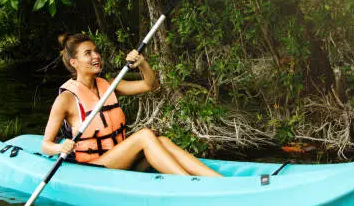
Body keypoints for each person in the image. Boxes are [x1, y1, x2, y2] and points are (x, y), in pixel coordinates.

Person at [42, 33, 222, 177]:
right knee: (144, 135)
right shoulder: (66, 98)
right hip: (92, 169)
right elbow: (46, 145)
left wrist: (142, 64)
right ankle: (189, 185)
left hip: (117, 159)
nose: (96, 56)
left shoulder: (111, 84)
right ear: (74, 63)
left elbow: (150, 86)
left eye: (96, 51)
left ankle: (217, 181)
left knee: (162, 141)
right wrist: (60, 147)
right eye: (88, 53)